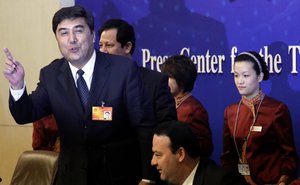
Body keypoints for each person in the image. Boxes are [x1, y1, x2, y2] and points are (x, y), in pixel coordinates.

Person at [3, 6, 156, 185]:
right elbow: (25, 114)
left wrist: (148, 177)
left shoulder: (123, 70)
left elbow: (145, 126)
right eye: (64, 33)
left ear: (92, 35)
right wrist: (17, 85)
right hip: (72, 177)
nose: (72, 40)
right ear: (57, 39)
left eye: (78, 30)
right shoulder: (51, 74)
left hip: (119, 176)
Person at [221, 51, 298, 185]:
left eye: (245, 75)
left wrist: (283, 181)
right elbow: (228, 157)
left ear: (260, 76)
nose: (240, 81)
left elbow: (289, 156)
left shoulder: (277, 109)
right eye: (236, 75)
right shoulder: (231, 111)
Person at [98, 19, 177, 124]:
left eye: (109, 45)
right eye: (100, 45)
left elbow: (167, 129)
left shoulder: (156, 83)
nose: (102, 51)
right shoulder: (96, 83)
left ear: (127, 47)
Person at [151, 120, 246, 185]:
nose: (153, 162)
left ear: (180, 154)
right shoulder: (164, 181)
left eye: (158, 155)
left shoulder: (223, 181)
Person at [160, 55, 213, 157]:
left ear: (182, 80)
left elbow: (206, 148)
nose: (165, 81)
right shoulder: (168, 103)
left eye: (169, 77)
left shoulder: (194, 109)